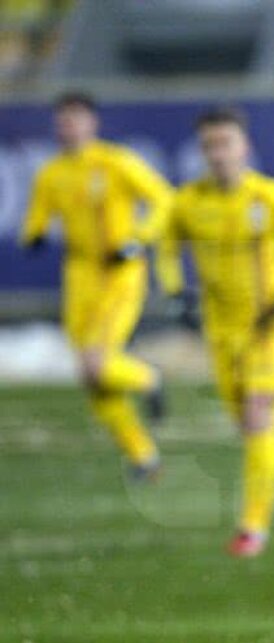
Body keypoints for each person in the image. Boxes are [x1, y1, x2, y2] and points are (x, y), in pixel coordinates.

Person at [156, 106, 274, 559]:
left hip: (272, 324)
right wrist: (176, 292)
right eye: (210, 146)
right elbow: (165, 248)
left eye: (226, 144)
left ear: (245, 147)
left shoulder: (273, 197)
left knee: (259, 418)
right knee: (254, 425)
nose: (218, 154)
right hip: (222, 330)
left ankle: (252, 528)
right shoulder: (187, 202)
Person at [20, 91, 172, 479]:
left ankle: (148, 378)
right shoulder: (51, 173)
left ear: (92, 123)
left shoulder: (115, 161)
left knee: (97, 363)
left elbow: (163, 201)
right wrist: (33, 235)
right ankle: (143, 456)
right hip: (79, 279)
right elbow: (36, 219)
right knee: (91, 379)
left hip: (120, 274)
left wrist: (137, 238)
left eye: (75, 118)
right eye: (62, 120)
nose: (67, 126)